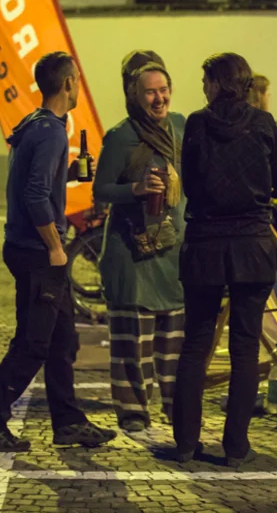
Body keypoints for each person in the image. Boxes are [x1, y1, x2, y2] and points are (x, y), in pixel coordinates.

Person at [0, 52, 116, 452]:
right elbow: (34, 195)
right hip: (38, 253)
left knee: (63, 340)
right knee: (33, 344)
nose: (80, 85)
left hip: (27, 248)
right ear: (67, 84)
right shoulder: (51, 131)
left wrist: (65, 176)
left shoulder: (35, 124)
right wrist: (55, 246)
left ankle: (68, 423)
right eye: (78, 79)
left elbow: (32, 182)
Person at [173, 52, 277, 466]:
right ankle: (236, 446)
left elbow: (190, 182)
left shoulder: (198, 124)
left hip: (205, 243)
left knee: (196, 345)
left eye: (206, 80)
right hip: (252, 244)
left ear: (219, 83)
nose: (203, 87)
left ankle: (185, 443)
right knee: (244, 349)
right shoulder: (264, 124)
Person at [93, 52, 186, 432]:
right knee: (134, 343)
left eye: (164, 90)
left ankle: (175, 408)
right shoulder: (121, 136)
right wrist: (135, 188)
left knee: (174, 342)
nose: (159, 98)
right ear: (135, 95)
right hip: (132, 255)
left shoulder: (181, 127)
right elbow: (100, 190)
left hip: (173, 250)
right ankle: (133, 413)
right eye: (150, 92)